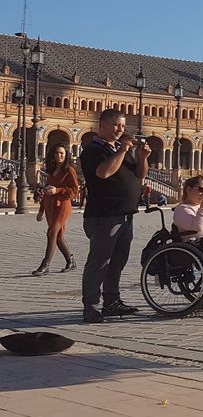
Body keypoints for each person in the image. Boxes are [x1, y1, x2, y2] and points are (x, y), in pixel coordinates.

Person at [80, 109, 151, 323]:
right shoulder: (93, 150)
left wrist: (141, 158)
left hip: (125, 214)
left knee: (117, 261)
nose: (120, 130)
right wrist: (122, 150)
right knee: (100, 262)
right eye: (116, 125)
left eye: (122, 126)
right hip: (104, 215)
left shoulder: (119, 149)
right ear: (102, 125)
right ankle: (91, 305)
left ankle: (111, 301)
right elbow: (103, 173)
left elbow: (140, 175)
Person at [32, 143, 79, 276]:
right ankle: (71, 261)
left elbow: (74, 191)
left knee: (51, 233)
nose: (59, 155)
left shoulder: (69, 170)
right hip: (50, 206)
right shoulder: (52, 171)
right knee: (58, 236)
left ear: (66, 155)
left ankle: (45, 265)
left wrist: (57, 190)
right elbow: (46, 191)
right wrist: (41, 209)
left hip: (62, 206)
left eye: (62, 153)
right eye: (57, 153)